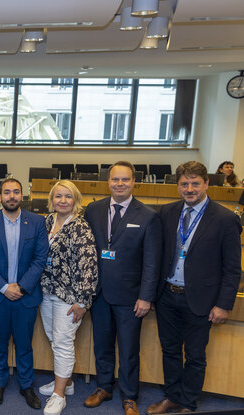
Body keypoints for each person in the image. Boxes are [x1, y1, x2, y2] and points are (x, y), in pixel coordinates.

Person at [146, 161, 241, 414]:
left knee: (195, 356)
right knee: (170, 351)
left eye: (195, 183)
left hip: (201, 299)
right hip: (167, 295)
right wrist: (151, 294)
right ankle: (171, 397)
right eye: (184, 184)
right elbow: (158, 255)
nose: (189, 189)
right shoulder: (167, 212)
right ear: (177, 186)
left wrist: (223, 304)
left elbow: (232, 268)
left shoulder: (225, 219)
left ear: (206, 184)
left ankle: (188, 403)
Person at [82, 161, 161, 415]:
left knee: (128, 349)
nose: (120, 184)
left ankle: (129, 396)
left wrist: (146, 297)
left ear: (134, 182)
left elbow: (152, 261)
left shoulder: (148, 215)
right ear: (108, 182)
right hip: (99, 293)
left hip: (130, 297)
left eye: (125, 179)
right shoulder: (93, 210)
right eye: (115, 179)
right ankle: (104, 387)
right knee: (102, 345)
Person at [0, 178, 48, 410]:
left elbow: (40, 259)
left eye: (16, 192)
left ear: (22, 196)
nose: (11, 196)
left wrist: (22, 287)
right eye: (6, 192)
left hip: (26, 296)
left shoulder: (37, 222)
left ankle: (26, 385)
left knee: (24, 344)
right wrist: (4, 287)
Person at [40, 180, 98, 415]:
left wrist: (82, 301)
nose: (62, 201)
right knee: (54, 339)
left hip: (70, 296)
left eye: (68, 196)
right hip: (46, 291)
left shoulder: (80, 227)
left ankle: (59, 395)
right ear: (51, 199)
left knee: (63, 342)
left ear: (76, 200)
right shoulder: (47, 221)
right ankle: (67, 382)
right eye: (58, 196)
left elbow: (89, 266)